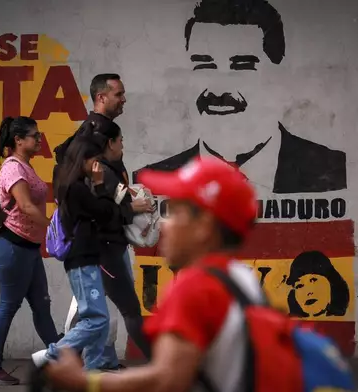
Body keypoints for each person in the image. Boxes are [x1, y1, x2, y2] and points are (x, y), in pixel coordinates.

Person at [43, 156, 266, 392]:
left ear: (204, 228)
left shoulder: (197, 288)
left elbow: (166, 379)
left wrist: (84, 382)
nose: (164, 224)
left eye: (176, 213)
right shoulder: (241, 276)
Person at [132, 0, 346, 195]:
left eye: (242, 67)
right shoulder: (151, 183)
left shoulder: (332, 171)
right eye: (204, 66)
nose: (218, 90)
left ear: (276, 79)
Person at [65, 120, 154, 370]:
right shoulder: (92, 178)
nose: (123, 145)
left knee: (97, 316)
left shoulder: (102, 173)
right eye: (120, 140)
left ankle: (90, 363)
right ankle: (56, 355)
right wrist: (129, 208)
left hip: (108, 249)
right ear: (108, 144)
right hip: (104, 250)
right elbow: (103, 213)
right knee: (123, 313)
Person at [0, 116, 61, 386]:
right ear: (18, 140)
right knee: (8, 305)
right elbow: (26, 206)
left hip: (27, 248)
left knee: (41, 305)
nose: (39, 140)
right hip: (12, 247)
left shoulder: (25, 166)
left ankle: (61, 360)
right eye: (34, 136)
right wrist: (54, 228)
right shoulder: (13, 168)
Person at [36, 135, 121, 370]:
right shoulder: (76, 189)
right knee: (96, 320)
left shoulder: (78, 187)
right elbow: (106, 213)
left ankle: (89, 373)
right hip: (82, 261)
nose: (99, 166)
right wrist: (101, 185)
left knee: (98, 321)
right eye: (95, 160)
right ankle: (52, 355)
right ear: (84, 160)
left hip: (86, 259)